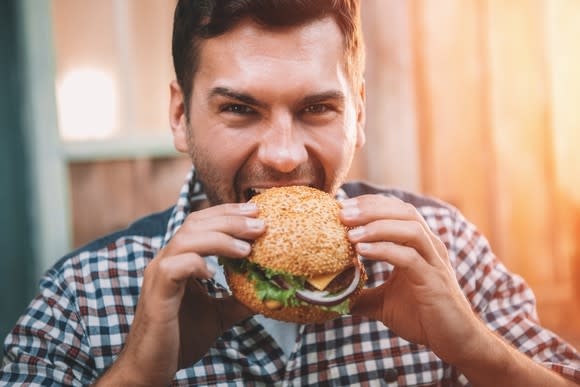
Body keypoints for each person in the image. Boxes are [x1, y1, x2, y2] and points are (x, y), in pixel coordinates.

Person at [2, 0, 579, 385]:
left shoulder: (445, 247)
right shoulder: (81, 297)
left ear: (358, 115)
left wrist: (477, 351)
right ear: (180, 116)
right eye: (238, 109)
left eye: (317, 108)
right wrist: (135, 373)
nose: (283, 155)